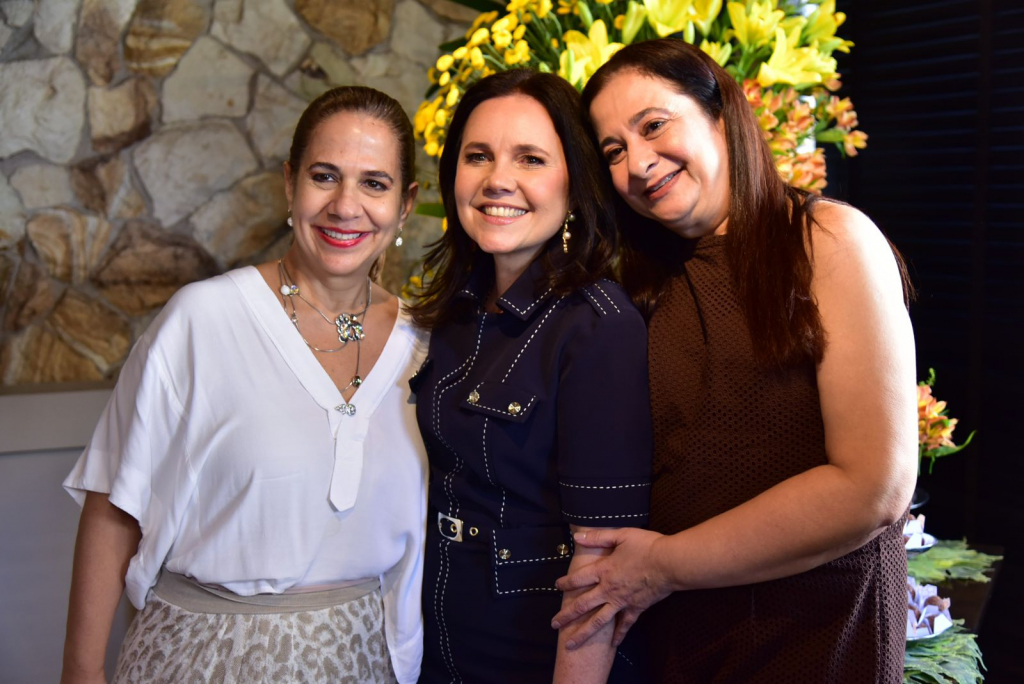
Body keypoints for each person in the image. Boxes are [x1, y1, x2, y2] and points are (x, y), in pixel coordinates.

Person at [550, 39, 918, 683]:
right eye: (613, 150)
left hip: (816, 638)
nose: (638, 162)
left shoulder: (827, 241)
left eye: (654, 125)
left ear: (721, 115)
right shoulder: (644, 286)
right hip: (683, 639)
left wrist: (664, 565)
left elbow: (874, 487)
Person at [60, 86, 428, 684]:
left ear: (406, 203)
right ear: (290, 184)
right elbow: (113, 504)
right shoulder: (202, 320)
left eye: (374, 184)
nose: (345, 205)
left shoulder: (426, 346)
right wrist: (80, 673)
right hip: (202, 658)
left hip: (364, 664)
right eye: (324, 176)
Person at [406, 69, 652, 683]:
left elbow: (601, 566)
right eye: (478, 156)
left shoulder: (599, 328)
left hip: (529, 654)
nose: (498, 181)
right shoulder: (451, 311)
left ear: (575, 182)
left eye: (531, 159)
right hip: (432, 640)